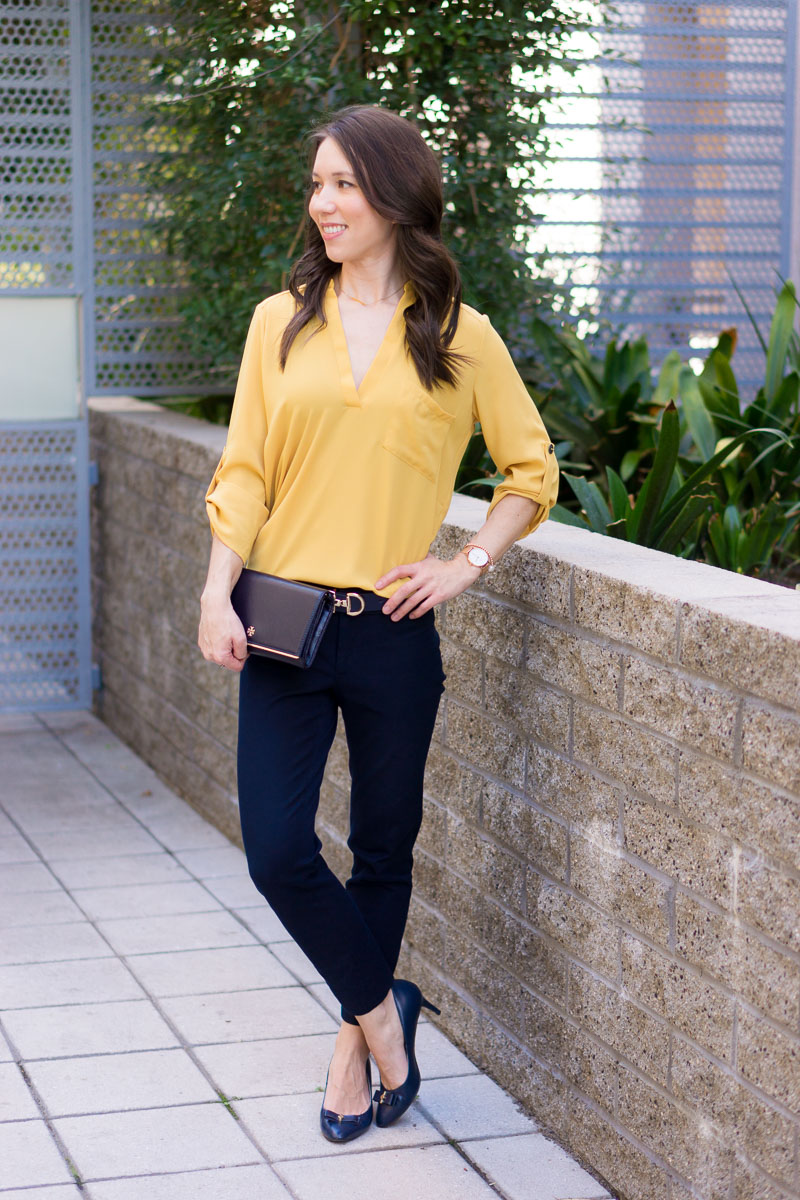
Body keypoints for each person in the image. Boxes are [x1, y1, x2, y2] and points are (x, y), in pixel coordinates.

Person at [198, 104, 559, 1144]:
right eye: (316, 185)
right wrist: (213, 589)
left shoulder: (457, 335)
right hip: (283, 623)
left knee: (382, 850)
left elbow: (529, 472)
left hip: (395, 632)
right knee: (275, 849)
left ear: (397, 196)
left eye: (343, 185)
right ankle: (384, 1016)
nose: (322, 204)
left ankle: (353, 1054)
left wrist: (465, 565)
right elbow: (246, 470)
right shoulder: (281, 321)